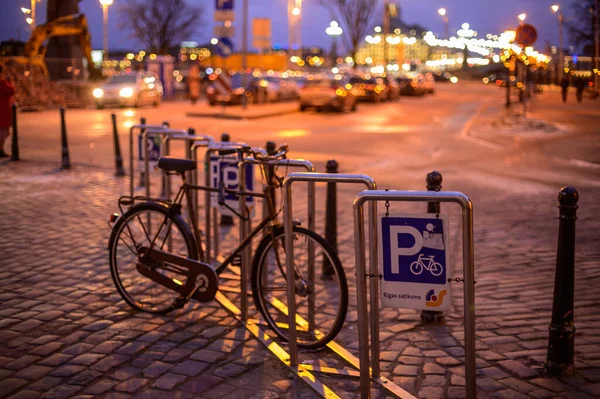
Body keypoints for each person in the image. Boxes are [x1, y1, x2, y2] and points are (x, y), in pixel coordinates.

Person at [0, 64, 16, 158]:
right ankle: (0, 150)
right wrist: (9, 82)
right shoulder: (2, 83)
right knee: (2, 133)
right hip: (2, 112)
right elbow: (11, 91)